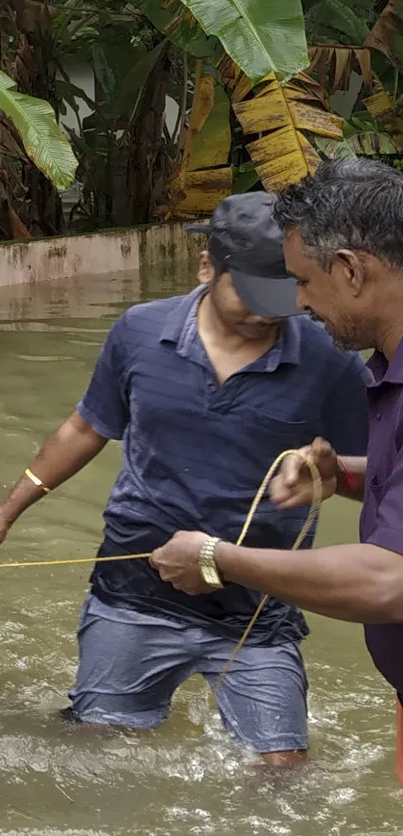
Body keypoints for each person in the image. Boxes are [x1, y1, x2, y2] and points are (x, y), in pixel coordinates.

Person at [0, 193, 369, 765]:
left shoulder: (331, 357)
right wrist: (5, 513)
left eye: (286, 297)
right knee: (99, 756)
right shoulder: (140, 332)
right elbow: (85, 427)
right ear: (207, 267)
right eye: (251, 296)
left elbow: (378, 473)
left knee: (281, 775)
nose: (268, 314)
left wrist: (330, 472)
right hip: (137, 592)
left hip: (256, 609)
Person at [151, 161, 403, 753]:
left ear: (350, 269)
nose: (301, 304)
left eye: (305, 282)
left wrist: (219, 558)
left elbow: (389, 581)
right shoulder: (387, 367)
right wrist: (340, 475)